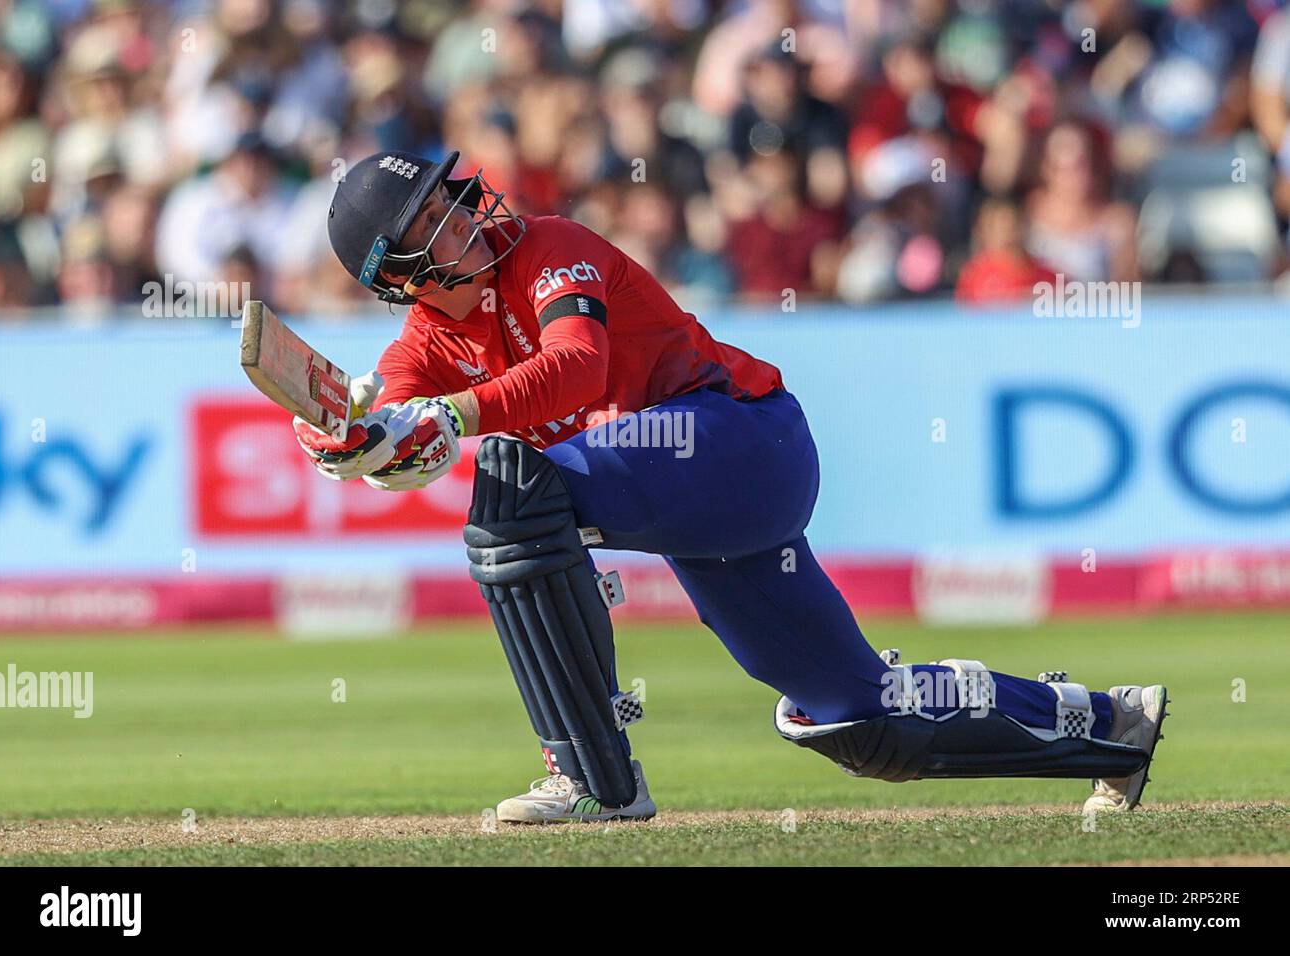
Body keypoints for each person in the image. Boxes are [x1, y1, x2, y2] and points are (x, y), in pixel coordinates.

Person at [294, 149, 1168, 823]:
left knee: (515, 495)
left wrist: (445, 422)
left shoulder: (550, 246)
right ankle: (1107, 727)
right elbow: (404, 434)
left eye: (453, 198)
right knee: (855, 718)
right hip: (701, 510)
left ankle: (594, 777)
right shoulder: (419, 348)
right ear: (399, 274)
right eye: (434, 220)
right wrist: (359, 445)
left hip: (740, 439)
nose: (464, 215)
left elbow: (576, 365)